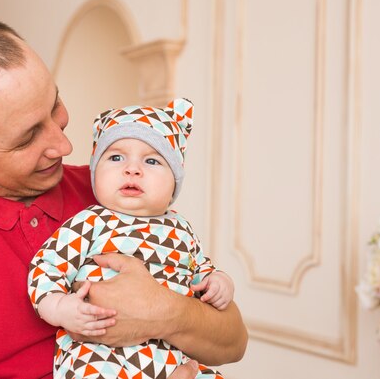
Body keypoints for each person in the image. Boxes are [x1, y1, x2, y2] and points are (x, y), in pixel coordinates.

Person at [0, 13, 248, 379]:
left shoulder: (111, 192)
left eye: (54, 105)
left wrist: (164, 312)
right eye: (27, 137)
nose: (63, 144)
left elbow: (232, 342)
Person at [28, 98, 234, 379]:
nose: (132, 169)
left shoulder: (181, 228)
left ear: (175, 179)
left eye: (151, 160)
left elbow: (200, 270)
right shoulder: (91, 221)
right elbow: (46, 265)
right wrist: (60, 308)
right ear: (95, 172)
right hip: (100, 350)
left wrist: (220, 282)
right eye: (115, 157)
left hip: (169, 355)